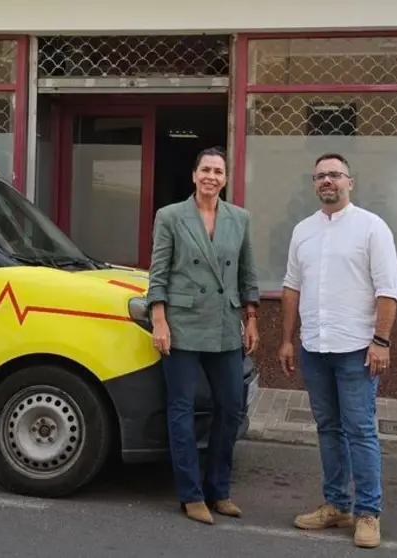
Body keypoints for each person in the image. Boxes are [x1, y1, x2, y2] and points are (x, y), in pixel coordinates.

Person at [277, 153, 397, 549]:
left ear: (351, 181)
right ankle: (336, 505)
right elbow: (291, 287)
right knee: (328, 429)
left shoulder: (371, 228)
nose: (327, 181)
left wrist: (380, 340)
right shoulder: (303, 231)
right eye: (320, 176)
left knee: (361, 430)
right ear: (314, 184)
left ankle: (368, 513)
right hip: (315, 347)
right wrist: (286, 338)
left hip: (356, 350)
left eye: (335, 175)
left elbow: (389, 289)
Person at [147, 146, 260, 525]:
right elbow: (158, 272)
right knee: (180, 409)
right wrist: (159, 320)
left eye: (218, 171)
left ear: (225, 179)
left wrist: (252, 317)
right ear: (194, 175)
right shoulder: (170, 216)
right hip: (181, 322)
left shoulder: (239, 219)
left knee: (231, 407)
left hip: (225, 325)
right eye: (206, 170)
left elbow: (247, 273)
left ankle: (219, 490)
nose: (212, 176)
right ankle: (191, 494)